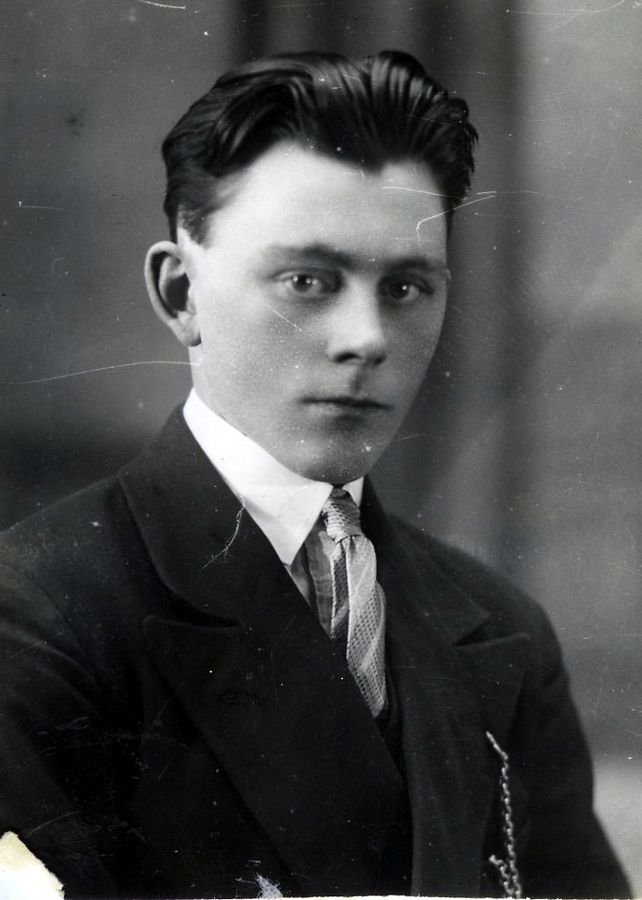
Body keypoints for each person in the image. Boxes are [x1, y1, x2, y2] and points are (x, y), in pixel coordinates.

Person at [0, 51, 630, 900]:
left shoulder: (501, 631)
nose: (365, 338)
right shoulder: (40, 615)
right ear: (181, 294)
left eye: (405, 287)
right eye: (307, 281)